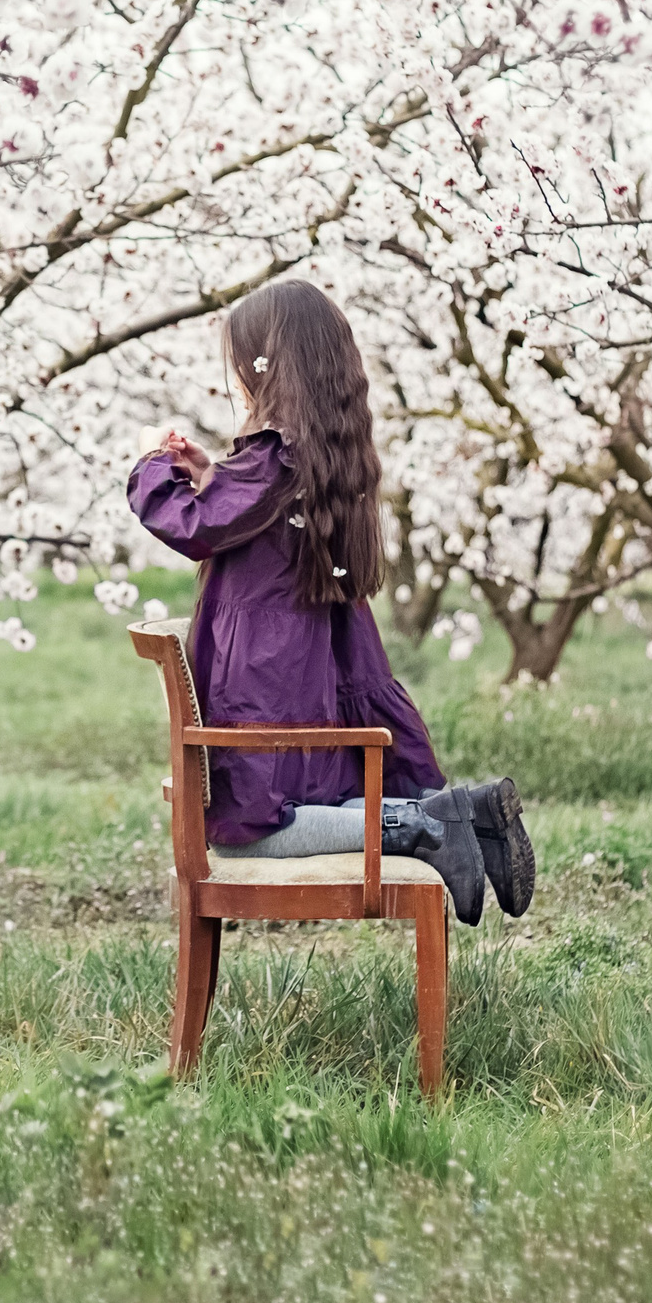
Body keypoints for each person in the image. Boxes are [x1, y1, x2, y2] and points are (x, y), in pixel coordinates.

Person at [126, 280, 534, 925]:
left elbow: (194, 528)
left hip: (265, 680)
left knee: (251, 829)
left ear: (268, 362)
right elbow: (246, 523)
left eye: (243, 357)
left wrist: (153, 464)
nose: (237, 372)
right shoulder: (316, 455)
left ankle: (424, 825)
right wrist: (214, 477)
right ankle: (463, 815)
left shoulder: (271, 458)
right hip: (310, 670)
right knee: (299, 804)